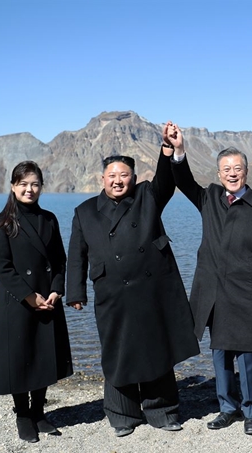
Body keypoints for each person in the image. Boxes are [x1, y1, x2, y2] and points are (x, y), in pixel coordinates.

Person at [65, 130, 200, 438]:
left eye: (124, 175)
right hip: (111, 292)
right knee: (118, 349)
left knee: (155, 347)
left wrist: (168, 149)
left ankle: (162, 411)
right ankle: (122, 413)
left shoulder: (147, 196)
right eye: (112, 175)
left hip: (151, 290)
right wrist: (75, 292)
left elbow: (167, 179)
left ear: (134, 178)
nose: (118, 181)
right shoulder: (84, 211)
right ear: (102, 179)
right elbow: (76, 255)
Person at [165, 123, 252, 435]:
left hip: (248, 292)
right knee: (219, 353)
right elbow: (182, 179)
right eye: (226, 169)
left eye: (237, 168)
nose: (232, 173)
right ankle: (227, 408)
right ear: (218, 174)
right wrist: (178, 150)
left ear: (246, 171)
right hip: (212, 291)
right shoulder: (209, 198)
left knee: (250, 354)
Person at [0, 161, 74, 443]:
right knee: (19, 358)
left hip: (47, 298)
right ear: (12, 187)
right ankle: (23, 415)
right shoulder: (1, 223)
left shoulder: (49, 219)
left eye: (34, 184)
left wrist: (57, 290)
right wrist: (30, 297)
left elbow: (59, 260)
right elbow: (2, 268)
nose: (29, 189)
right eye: (23, 184)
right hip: (18, 301)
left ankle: (39, 413)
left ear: (41, 187)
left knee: (43, 356)